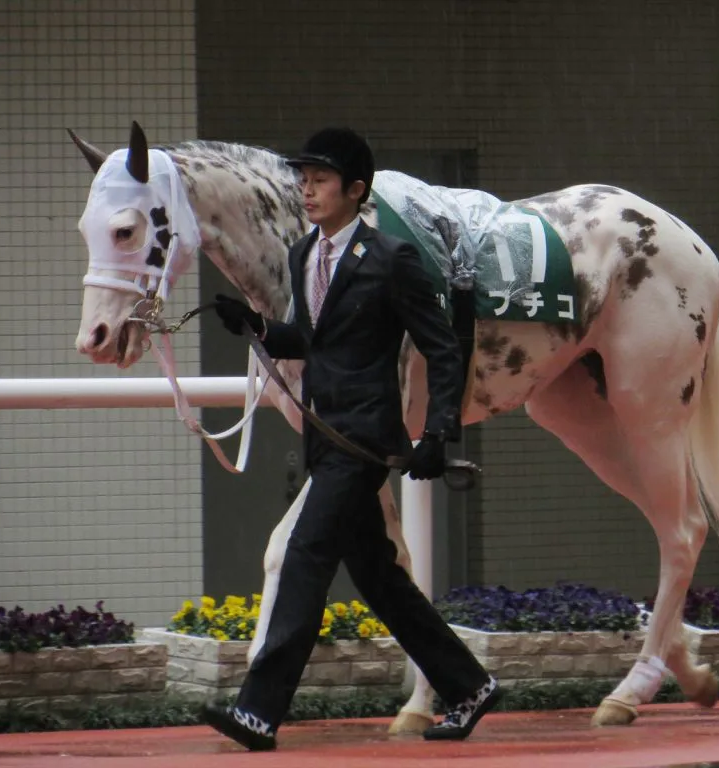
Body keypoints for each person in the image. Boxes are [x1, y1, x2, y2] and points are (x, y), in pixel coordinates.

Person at [203, 127, 501, 751]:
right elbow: (309, 343)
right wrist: (254, 325)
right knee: (379, 578)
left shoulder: (391, 258)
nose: (306, 191)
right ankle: (470, 686)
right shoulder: (302, 255)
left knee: (305, 555)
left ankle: (258, 711)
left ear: (356, 190)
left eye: (320, 181)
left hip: (362, 440)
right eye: (303, 180)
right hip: (323, 434)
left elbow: (442, 348)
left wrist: (439, 432)